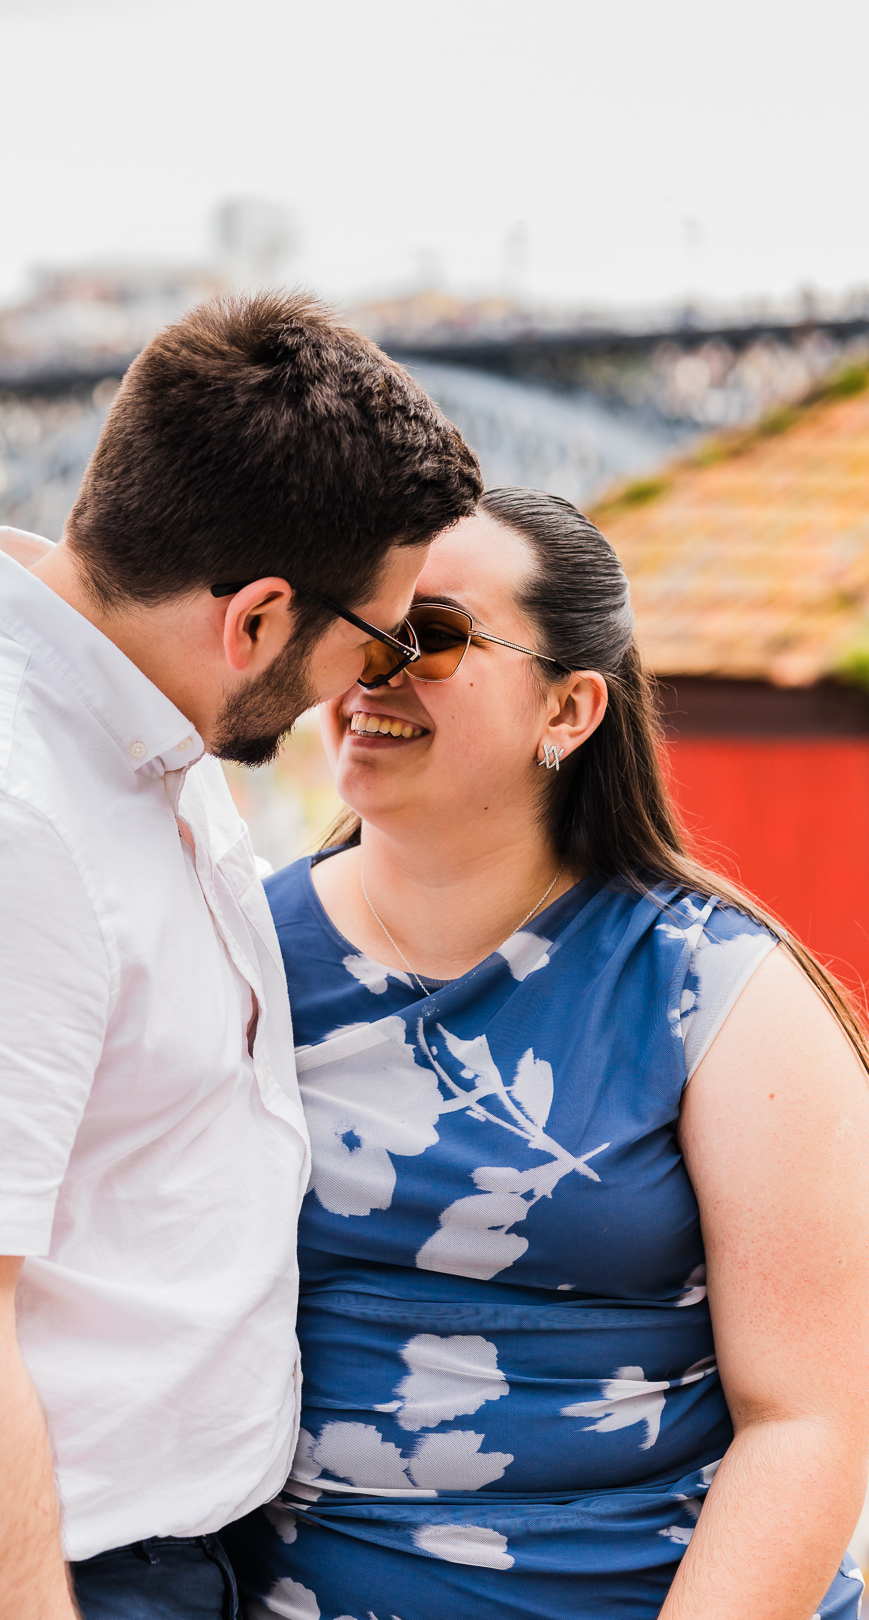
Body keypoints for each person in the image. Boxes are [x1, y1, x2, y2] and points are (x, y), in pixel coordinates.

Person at [0, 292, 481, 1620]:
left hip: (133, 1558)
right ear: (260, 621)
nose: (377, 681)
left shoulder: (134, 725)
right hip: (8, 1577)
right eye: (381, 638)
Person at [223, 486, 869, 1620]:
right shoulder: (229, 959)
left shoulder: (717, 993)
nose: (374, 672)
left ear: (568, 710)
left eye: (432, 636)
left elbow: (811, 1419)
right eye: (360, 627)